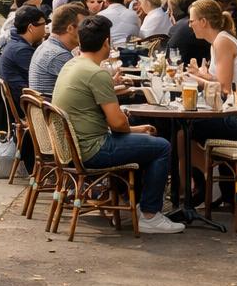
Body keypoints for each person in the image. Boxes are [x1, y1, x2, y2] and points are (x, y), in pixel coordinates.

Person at [52, 15, 183, 234]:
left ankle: (136, 204)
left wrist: (134, 129)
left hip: (73, 147)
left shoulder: (72, 64)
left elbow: (116, 123)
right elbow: (117, 123)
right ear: (106, 43)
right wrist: (132, 128)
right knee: (161, 147)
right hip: (93, 149)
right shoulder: (96, 73)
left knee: (146, 141)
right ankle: (150, 215)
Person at [187, 0, 237, 143]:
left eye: (191, 21)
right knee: (185, 129)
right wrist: (202, 75)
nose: (189, 25)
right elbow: (223, 83)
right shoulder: (220, 40)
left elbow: (224, 88)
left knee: (189, 126)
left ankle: (190, 165)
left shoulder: (222, 41)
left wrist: (194, 79)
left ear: (203, 21)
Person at [28, 2, 88, 98]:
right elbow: (87, 89)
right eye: (84, 27)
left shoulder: (46, 46)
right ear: (70, 28)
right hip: (58, 111)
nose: (88, 31)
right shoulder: (59, 55)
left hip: (48, 109)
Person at [0, 5, 48, 110]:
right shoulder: (21, 51)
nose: (45, 28)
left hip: (21, 100)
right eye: (43, 24)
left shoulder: (14, 43)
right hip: (27, 106)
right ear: (31, 27)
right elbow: (38, 80)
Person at [166, 0, 209, 67]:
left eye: (171, 11)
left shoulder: (180, 27)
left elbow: (169, 60)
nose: (169, 14)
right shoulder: (207, 24)